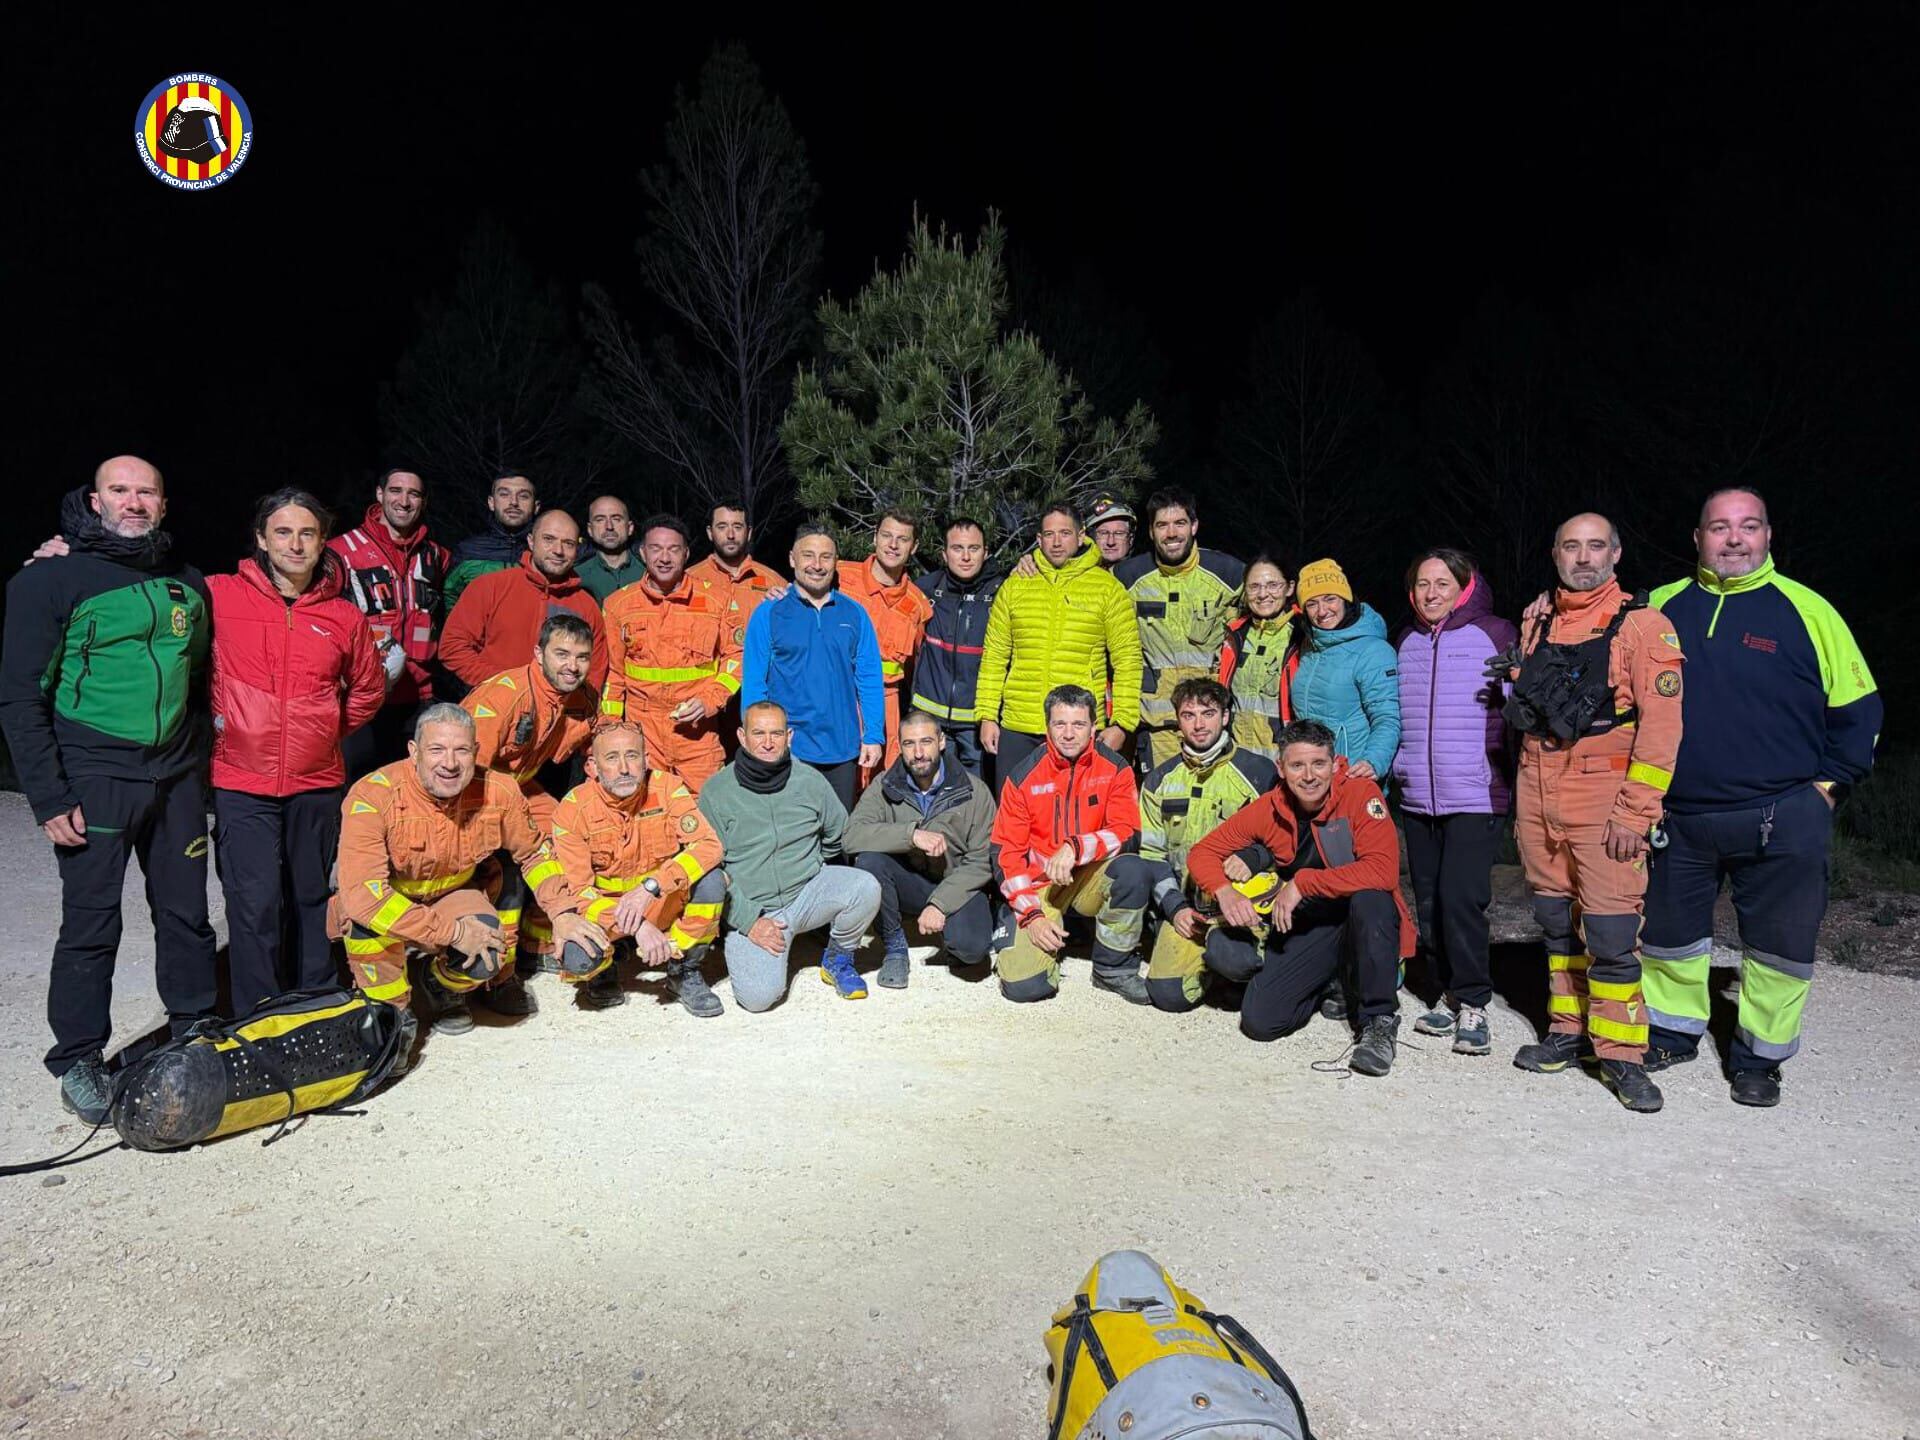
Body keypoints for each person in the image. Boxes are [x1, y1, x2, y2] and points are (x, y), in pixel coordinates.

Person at [1639, 487, 1881, 1107]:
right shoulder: (1660, 607)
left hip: (1781, 816)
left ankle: (1758, 1058)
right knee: (1669, 937)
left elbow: (1859, 708)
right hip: (1679, 816)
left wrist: (1827, 788)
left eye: (1749, 527)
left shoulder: (1808, 610)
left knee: (1780, 946)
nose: (1734, 539)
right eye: (1719, 528)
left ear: (1769, 536)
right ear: (1698, 538)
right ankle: (1672, 1030)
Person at [0, 458, 218, 1121]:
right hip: (94, 775)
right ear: (95, 501)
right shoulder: (49, 580)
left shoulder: (187, 583)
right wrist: (48, 795)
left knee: (186, 916)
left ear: (163, 502)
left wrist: (200, 762)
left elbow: (200, 677)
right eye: (120, 491)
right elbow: (18, 697)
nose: (133, 501)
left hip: (176, 776)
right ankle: (77, 1059)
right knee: (91, 924)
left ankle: (195, 1028)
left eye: (145, 490)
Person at [1500, 513, 1683, 1113]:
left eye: (1595, 546)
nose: (1583, 557)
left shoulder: (1645, 627)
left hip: (1604, 789)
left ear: (1616, 553)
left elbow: (1661, 733)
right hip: (1537, 782)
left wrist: (1637, 812)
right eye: (1571, 546)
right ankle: (1567, 1030)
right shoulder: (1537, 617)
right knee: (1554, 920)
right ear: (1554, 553)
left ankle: (1623, 1055)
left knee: (1608, 930)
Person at [332, 704, 602, 1065]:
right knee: (367, 931)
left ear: (475, 752)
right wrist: (454, 933)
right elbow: (365, 898)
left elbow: (535, 854)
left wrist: (563, 913)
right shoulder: (373, 796)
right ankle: (394, 1016)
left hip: (453, 894)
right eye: (437, 750)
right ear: (413, 753)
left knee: (488, 955)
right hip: (387, 904)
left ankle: (438, 984)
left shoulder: (499, 791)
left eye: (461, 750)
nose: (450, 763)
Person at [209, 489, 384, 1012]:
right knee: (254, 903)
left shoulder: (342, 617)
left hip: (316, 780)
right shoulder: (219, 595)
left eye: (307, 533)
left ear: (322, 541)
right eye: (283, 532)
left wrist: (325, 730)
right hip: (242, 781)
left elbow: (370, 689)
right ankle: (258, 1015)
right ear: (261, 539)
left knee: (312, 898)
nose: (295, 543)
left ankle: (316, 1002)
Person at [1186, 720, 1416, 1075]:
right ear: (1281, 768)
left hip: (1363, 918)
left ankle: (1378, 1021)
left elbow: (1382, 872)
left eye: (1318, 764)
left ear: (1334, 763)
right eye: (1297, 765)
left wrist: (1304, 883)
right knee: (1261, 1022)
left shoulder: (1360, 794)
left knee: (1371, 898)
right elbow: (1202, 852)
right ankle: (1332, 979)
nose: (1309, 776)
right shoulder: (1270, 807)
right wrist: (1224, 891)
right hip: (1316, 923)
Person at [1390, 548, 1515, 1057]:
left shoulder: (1496, 633)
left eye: (1443, 583)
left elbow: (1517, 712)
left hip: (1475, 791)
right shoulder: (1407, 641)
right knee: (1429, 898)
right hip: (1419, 794)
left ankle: (1473, 1001)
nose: (1431, 592)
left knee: (1463, 899)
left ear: (1465, 585)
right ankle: (1442, 989)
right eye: (1423, 583)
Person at [1101, 679, 1277, 1013]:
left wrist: (1254, 856)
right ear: (1178, 720)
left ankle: (1237, 966)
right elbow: (1152, 854)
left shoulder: (1259, 772)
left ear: (1225, 717)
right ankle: (1209, 963)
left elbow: (1285, 844)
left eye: (1208, 713)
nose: (1199, 724)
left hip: (1242, 906)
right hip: (1190, 907)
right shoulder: (1159, 780)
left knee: (1239, 962)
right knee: (1168, 994)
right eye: (1189, 715)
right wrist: (1174, 906)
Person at [697, 700, 882, 1009]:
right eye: (758, 733)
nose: (768, 743)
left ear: (790, 736)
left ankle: (837, 959)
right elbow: (709, 870)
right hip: (754, 908)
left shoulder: (809, 780)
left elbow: (837, 834)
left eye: (776, 733)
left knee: (865, 887)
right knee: (758, 999)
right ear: (742, 737)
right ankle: (752, 942)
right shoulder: (716, 791)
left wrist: (813, 867)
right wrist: (748, 920)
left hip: (805, 894)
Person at [549, 719, 730, 1016]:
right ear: (592, 767)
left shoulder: (668, 788)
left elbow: (709, 846)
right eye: (612, 758)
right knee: (577, 957)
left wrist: (651, 887)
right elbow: (580, 894)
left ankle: (683, 967)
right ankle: (604, 970)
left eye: (632, 756)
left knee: (712, 880)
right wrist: (637, 925)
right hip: (608, 915)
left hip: (660, 903)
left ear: (646, 761)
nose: (624, 768)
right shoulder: (572, 810)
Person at [461, 612, 600, 990]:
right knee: (499, 866)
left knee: (566, 833)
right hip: (477, 792)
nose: (572, 666)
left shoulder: (583, 698)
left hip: (523, 787)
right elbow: (464, 772)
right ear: (538, 654)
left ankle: (538, 943)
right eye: (562, 654)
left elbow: (593, 747)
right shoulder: (504, 695)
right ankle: (495, 970)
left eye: (582, 657)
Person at [990, 684, 1146, 1004]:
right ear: (1047, 726)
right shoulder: (1023, 776)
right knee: (1026, 987)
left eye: (1078, 724)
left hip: (1087, 877)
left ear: (1094, 727)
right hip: (1040, 886)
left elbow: (1128, 831)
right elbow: (1006, 853)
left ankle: (1112, 968)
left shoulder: (1115, 768)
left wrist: (1077, 846)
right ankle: (1050, 938)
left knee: (1133, 870)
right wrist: (1031, 916)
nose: (1069, 734)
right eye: (1060, 724)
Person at [976, 503, 1142, 796]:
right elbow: (994, 656)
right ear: (1038, 540)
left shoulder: (1107, 589)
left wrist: (1122, 724)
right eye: (1049, 534)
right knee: (1014, 815)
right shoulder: (1016, 586)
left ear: (1081, 536)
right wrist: (987, 716)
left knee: (1073, 818)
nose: (1056, 542)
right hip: (1020, 722)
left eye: (1065, 533)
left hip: (1076, 727)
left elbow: (1128, 660)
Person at [847, 709, 999, 987]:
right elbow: (852, 836)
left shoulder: (974, 790)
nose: (918, 753)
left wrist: (940, 905)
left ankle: (952, 936)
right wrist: (911, 835)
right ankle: (894, 947)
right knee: (869, 861)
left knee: (971, 951)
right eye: (909, 744)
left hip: (957, 885)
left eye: (926, 742)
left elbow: (982, 860)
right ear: (901, 747)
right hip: (909, 884)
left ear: (941, 742)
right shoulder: (885, 785)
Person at [739, 524, 883, 811]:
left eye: (825, 557)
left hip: (841, 749)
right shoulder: (769, 612)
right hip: (788, 750)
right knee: (788, 833)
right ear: (792, 559)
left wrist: (873, 736)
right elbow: (755, 683)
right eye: (808, 556)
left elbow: (868, 678)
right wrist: (757, 741)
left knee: (837, 836)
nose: (817, 565)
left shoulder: (854, 613)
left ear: (835, 563)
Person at [600, 514, 742, 794]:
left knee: (707, 814)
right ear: (642, 552)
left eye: (673, 549)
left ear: (686, 554)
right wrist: (612, 733)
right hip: (643, 735)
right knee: (648, 813)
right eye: (655, 549)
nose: (664, 558)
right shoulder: (619, 605)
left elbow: (736, 660)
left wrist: (709, 701)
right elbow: (613, 677)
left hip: (697, 734)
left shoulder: (717, 601)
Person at [330, 466, 449, 781]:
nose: (404, 501)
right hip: (363, 697)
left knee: (410, 792)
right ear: (380, 494)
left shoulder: (436, 556)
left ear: (423, 502)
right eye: (396, 491)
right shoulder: (341, 552)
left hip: (419, 697)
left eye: (414, 494)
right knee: (358, 790)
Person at [1114, 489, 1245, 772]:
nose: (1171, 533)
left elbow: (1272, 596)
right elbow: (1084, 585)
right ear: (1151, 531)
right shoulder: (1128, 577)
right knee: (1164, 804)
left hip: (1210, 723)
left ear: (1194, 526)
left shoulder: (1229, 574)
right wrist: (1032, 564)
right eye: (1162, 525)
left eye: (1180, 523)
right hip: (1157, 727)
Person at [439, 508, 607, 693]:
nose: (558, 550)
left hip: (560, 714)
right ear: (531, 541)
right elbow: (452, 647)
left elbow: (595, 670)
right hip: (494, 707)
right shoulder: (490, 586)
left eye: (568, 543)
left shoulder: (586, 605)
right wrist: (506, 685)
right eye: (548, 539)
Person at [836, 510, 933, 779]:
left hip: (885, 701)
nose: (893, 545)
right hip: (838, 694)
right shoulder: (839, 577)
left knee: (883, 781)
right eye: (887, 536)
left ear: (913, 547)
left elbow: (915, 668)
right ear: (875, 537)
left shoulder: (918, 605)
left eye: (902, 539)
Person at [1288, 558, 1401, 784]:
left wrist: (1373, 761)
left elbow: (1387, 718)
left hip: (1352, 776)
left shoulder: (1373, 650)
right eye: (1311, 603)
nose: (1322, 611)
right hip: (1310, 779)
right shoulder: (1309, 647)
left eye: (1330, 599)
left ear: (1346, 599)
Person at [909, 517, 1004, 777]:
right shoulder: (925, 589)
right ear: (944, 553)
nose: (965, 557)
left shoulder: (1001, 592)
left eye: (973, 549)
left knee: (976, 794)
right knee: (934, 791)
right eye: (957, 548)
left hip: (976, 723)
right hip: (930, 718)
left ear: (985, 552)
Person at [1218, 553, 1299, 766]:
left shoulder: (1302, 636)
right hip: (1236, 761)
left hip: (1282, 762)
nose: (1263, 594)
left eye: (1273, 585)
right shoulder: (1234, 636)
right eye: (1254, 587)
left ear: (1289, 588)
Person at [688, 497, 784, 634]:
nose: (730, 535)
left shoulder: (773, 582)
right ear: (710, 533)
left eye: (737, 527)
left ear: (749, 533)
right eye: (722, 527)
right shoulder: (689, 580)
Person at [444, 472, 538, 610]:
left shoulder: (547, 553)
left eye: (523, 496)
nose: (513, 502)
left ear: (536, 506)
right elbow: (450, 600)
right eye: (504, 494)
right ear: (491, 502)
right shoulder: (468, 551)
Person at [574, 493, 644, 605]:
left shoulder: (648, 572)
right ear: (590, 529)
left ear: (630, 528)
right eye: (600, 520)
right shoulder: (576, 576)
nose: (609, 526)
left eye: (616, 519)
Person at [1084, 494, 1137, 568]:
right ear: (1090, 537)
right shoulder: (1074, 575)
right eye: (1103, 533)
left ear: (1131, 539)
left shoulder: (1144, 577)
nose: (1110, 542)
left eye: (1119, 533)